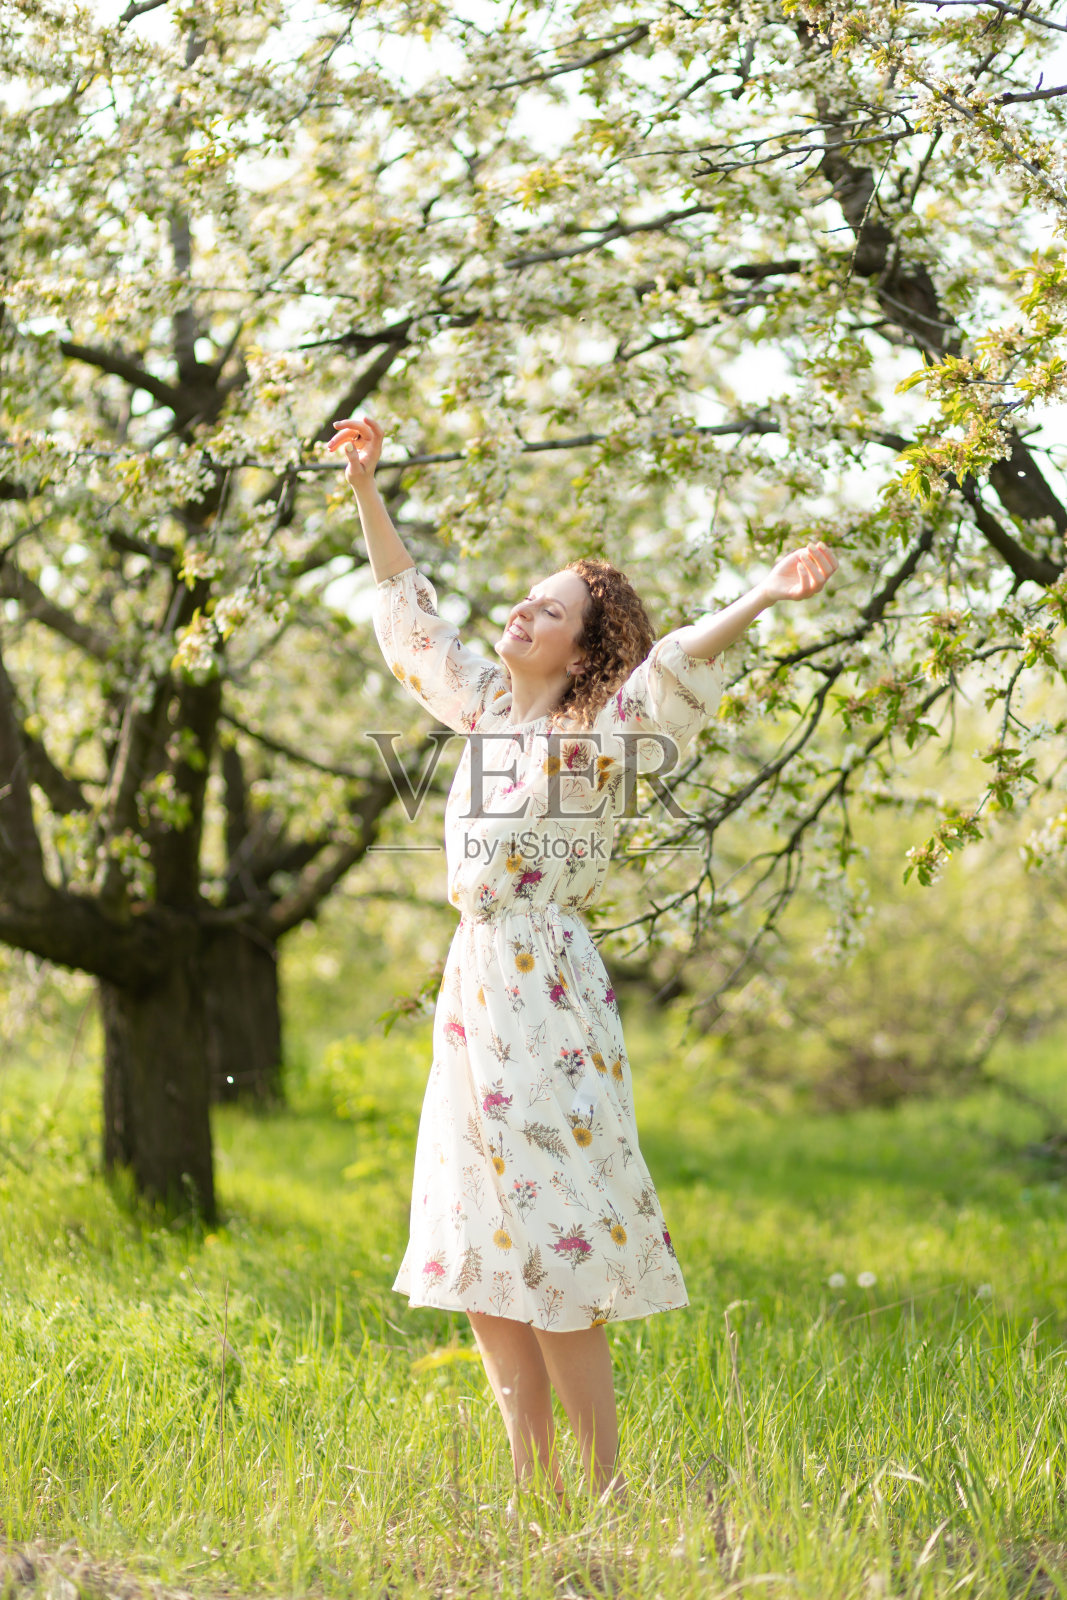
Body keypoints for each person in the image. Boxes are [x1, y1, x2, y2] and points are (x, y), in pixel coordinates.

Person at [328, 414, 838, 1510]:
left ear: (580, 647)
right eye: (526, 597)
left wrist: (758, 595)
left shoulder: (592, 737)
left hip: (542, 993)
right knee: (475, 1231)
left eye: (548, 610)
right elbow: (411, 620)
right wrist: (367, 487)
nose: (521, 611)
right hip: (474, 990)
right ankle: (532, 1489)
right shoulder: (480, 715)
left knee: (553, 1230)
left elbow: (672, 668)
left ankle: (604, 1493)